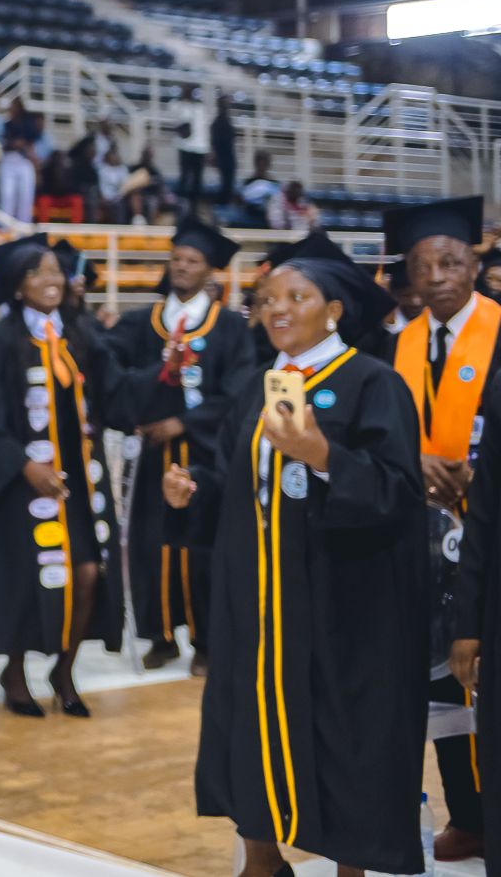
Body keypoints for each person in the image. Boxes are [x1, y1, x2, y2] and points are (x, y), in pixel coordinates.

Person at [168, 237, 424, 877]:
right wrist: (195, 490)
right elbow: (236, 481)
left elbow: (398, 490)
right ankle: (261, 858)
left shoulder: (372, 382)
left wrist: (324, 456)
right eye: (268, 299)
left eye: (296, 297)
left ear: (333, 311)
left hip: (339, 601)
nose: (277, 308)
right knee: (250, 719)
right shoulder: (260, 387)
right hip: (259, 598)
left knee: (344, 730)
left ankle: (350, 868)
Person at [382, 196, 496, 863]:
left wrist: (484, 475)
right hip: (421, 541)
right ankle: (470, 813)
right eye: (422, 265)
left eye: (450, 261)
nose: (437, 276)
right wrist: (412, 462)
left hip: (491, 534)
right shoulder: (397, 342)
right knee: (440, 674)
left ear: (475, 263)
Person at [0, 233, 123, 717]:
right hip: (19, 489)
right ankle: (14, 673)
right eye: (38, 273)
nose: (52, 279)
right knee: (23, 579)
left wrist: (166, 375)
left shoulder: (80, 333)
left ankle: (64, 669)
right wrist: (22, 464)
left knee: (88, 572)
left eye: (57, 270)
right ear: (18, 286)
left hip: (77, 484)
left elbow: (114, 390)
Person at [104, 218, 256, 675]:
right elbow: (112, 377)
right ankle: (162, 636)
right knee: (153, 544)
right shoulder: (140, 323)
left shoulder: (229, 327)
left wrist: (183, 423)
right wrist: (139, 410)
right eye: (176, 259)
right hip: (152, 459)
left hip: (205, 458)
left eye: (192, 260)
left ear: (210, 269)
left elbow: (238, 393)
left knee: (202, 546)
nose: (182, 267)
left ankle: (207, 642)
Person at [0, 120, 37, 224]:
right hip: (8, 160)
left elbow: (32, 149)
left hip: (24, 161)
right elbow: (2, 145)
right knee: (7, 197)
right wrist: (13, 143)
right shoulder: (6, 126)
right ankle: (4, 227)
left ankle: (24, 227)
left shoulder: (29, 125)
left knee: (25, 198)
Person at [176, 85, 210, 207]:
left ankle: (194, 207)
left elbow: (203, 130)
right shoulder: (178, 106)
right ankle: (181, 206)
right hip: (185, 148)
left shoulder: (199, 108)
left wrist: (207, 149)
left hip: (198, 149)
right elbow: (180, 126)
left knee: (197, 180)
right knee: (184, 178)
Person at [239, 150, 281, 226]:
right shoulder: (246, 182)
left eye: (264, 161)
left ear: (268, 164)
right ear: (255, 162)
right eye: (259, 160)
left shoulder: (275, 184)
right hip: (249, 219)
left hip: (269, 221)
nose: (261, 164)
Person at [211, 94, 239, 205]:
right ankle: (221, 204)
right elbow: (215, 141)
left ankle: (224, 203)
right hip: (223, 155)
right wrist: (215, 156)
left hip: (229, 154)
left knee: (229, 182)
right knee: (225, 182)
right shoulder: (218, 122)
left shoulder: (227, 120)